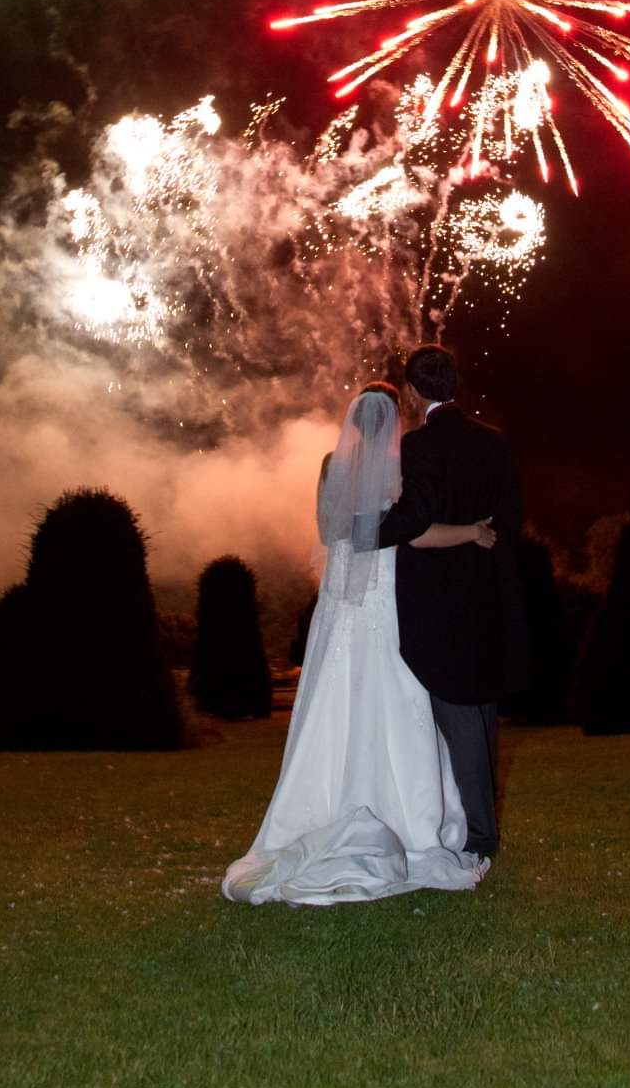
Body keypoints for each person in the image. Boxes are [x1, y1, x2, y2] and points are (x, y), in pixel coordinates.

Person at [221, 381, 496, 906]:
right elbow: (412, 534)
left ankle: (320, 800)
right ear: (393, 420)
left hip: (340, 611)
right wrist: (472, 532)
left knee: (334, 703)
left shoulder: (331, 465)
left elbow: (328, 535)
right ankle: (410, 818)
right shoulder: (400, 472)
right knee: (397, 699)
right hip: (387, 605)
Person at [375, 345, 531, 861]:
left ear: (413, 393)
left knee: (461, 716)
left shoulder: (419, 447)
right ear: (455, 383)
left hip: (439, 603)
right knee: (481, 716)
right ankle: (473, 824)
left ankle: (481, 838)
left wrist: (366, 530)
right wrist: (482, 539)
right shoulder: (496, 443)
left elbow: (413, 517)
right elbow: (511, 520)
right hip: (487, 593)